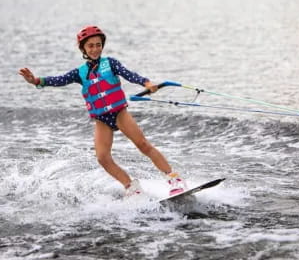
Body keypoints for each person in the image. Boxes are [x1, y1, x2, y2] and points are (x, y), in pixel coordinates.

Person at [19, 25, 187, 197]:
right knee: (102, 158)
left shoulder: (111, 63)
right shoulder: (80, 73)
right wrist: (36, 80)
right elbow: (59, 80)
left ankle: (174, 179)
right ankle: (132, 188)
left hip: (119, 113)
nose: (95, 49)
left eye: (98, 44)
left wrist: (146, 83)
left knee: (143, 145)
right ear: (83, 48)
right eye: (90, 45)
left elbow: (129, 74)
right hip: (102, 119)